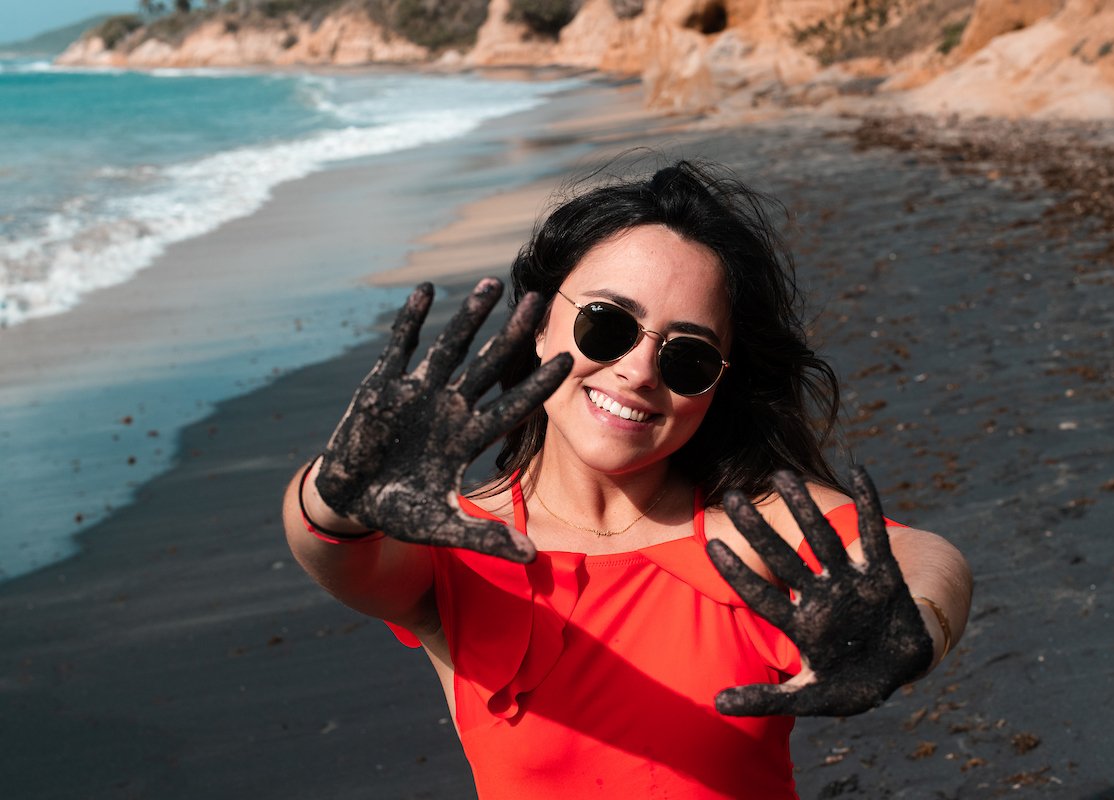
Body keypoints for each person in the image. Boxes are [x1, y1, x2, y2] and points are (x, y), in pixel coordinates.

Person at [282, 160, 972, 798]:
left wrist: (905, 630)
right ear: (542, 325)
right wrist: (335, 491)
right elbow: (332, 548)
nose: (638, 371)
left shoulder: (751, 530)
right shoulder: (465, 546)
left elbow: (923, 557)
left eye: (688, 358)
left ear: (718, 386)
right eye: (608, 325)